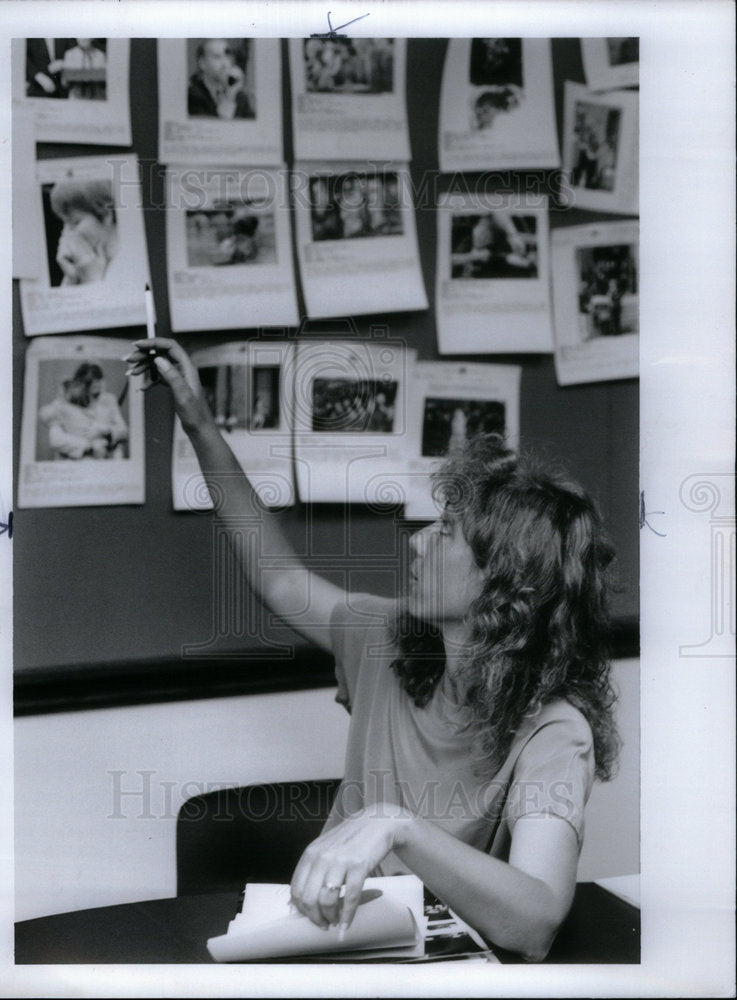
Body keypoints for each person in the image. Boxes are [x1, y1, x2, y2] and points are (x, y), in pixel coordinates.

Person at [124, 338, 619, 962]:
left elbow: (536, 920)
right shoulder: (383, 638)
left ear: (505, 583)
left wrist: (397, 824)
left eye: (445, 535)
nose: (415, 543)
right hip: (331, 953)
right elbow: (277, 575)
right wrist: (197, 418)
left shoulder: (554, 730)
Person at [39, 362, 129, 460]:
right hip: (78, 458)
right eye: (90, 382)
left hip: (106, 457)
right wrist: (89, 446)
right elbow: (52, 430)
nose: (96, 385)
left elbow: (124, 432)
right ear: (80, 383)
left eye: (99, 380)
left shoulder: (109, 400)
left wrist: (106, 430)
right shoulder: (65, 402)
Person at [49, 179, 118, 286]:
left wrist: (91, 278)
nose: (68, 233)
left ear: (106, 215)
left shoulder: (124, 265)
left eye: (76, 222)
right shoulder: (91, 262)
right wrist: (72, 278)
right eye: (65, 225)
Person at [187, 39, 254, 119]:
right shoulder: (191, 96)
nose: (225, 63)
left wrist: (232, 91)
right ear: (202, 63)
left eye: (228, 57)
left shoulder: (240, 97)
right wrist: (230, 97)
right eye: (217, 57)